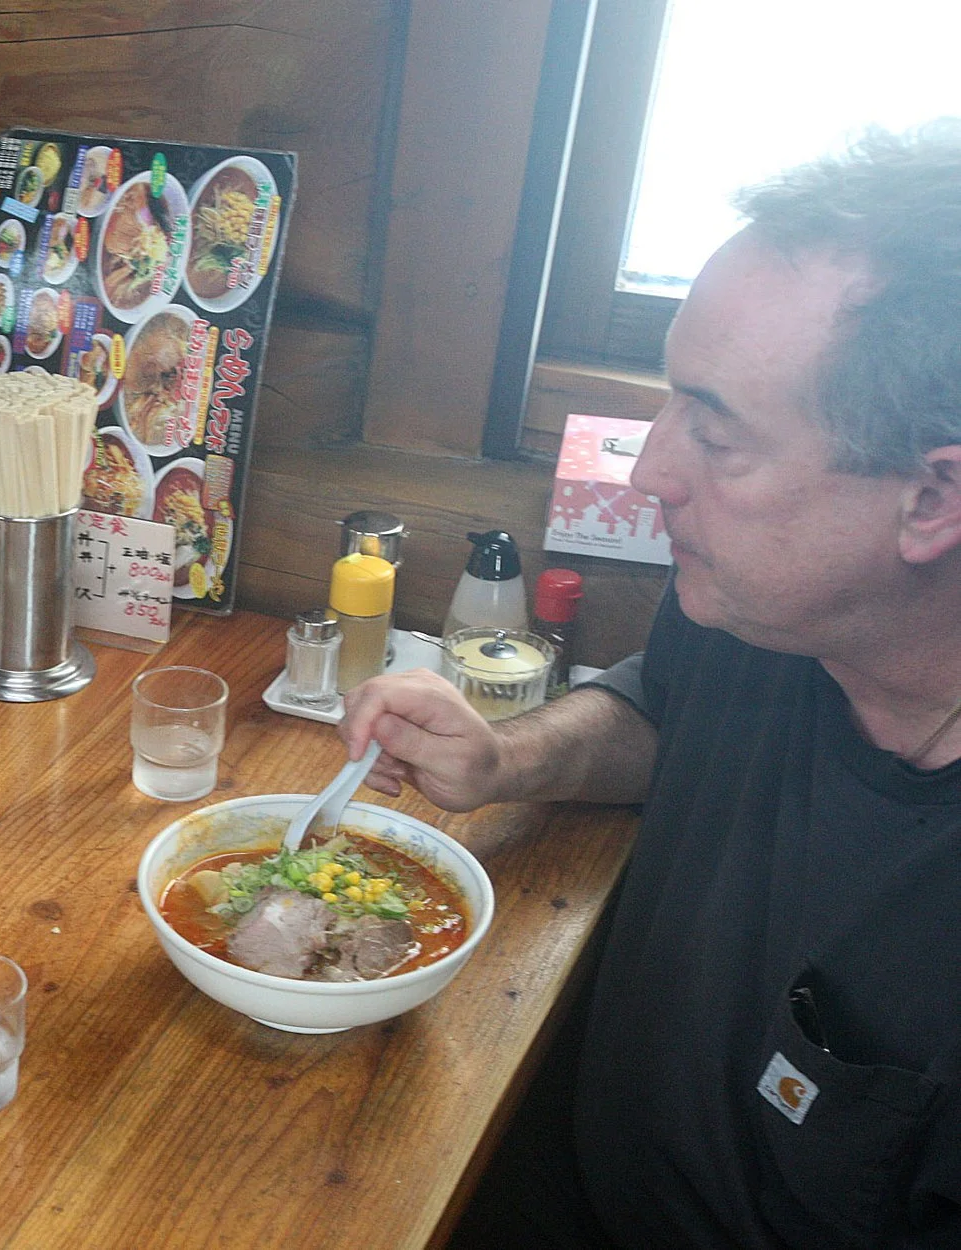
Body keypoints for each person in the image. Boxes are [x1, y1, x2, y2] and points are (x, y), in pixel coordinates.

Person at [348, 125, 961, 1248]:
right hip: (523, 1171)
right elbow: (657, 708)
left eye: (715, 435)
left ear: (931, 500)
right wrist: (502, 759)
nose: (650, 470)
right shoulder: (755, 605)